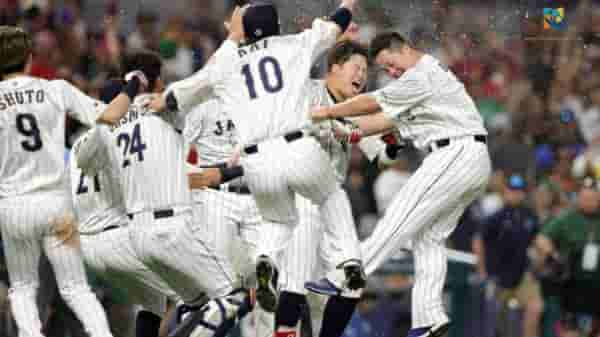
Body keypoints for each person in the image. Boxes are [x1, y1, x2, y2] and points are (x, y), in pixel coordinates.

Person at [149, 0, 365, 324]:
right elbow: (334, 24)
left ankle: (266, 259)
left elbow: (183, 91)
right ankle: (348, 261)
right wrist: (347, 4)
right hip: (296, 145)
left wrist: (160, 101)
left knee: (278, 221)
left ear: (244, 31)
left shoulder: (227, 60)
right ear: (277, 26)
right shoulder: (294, 43)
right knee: (332, 196)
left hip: (257, 160)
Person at [310, 32, 491, 337]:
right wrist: (336, 128)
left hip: (455, 152)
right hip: (469, 157)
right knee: (429, 238)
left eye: (391, 64)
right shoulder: (416, 84)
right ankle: (429, 317)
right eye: (386, 70)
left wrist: (328, 111)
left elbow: (371, 103)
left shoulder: (422, 74)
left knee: (400, 215)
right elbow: (381, 122)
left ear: (406, 49)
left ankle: (350, 272)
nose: (391, 73)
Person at [73, 50, 251, 337]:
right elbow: (200, 82)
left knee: (188, 303)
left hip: (124, 235)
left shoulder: (94, 137)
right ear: (155, 83)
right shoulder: (159, 110)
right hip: (159, 229)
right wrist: (232, 43)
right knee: (235, 298)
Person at [0, 25, 114, 337]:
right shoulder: (56, 89)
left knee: (22, 289)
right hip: (56, 205)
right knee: (77, 290)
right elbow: (107, 116)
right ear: (29, 58)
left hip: (14, 208)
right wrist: (131, 93)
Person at [473, 174, 543, 337]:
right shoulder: (496, 216)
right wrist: (482, 269)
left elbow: (537, 239)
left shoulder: (529, 215)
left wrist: (540, 261)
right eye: (512, 190)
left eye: (518, 191)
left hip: (521, 273)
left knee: (535, 307)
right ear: (505, 192)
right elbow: (478, 240)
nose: (515, 194)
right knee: (496, 321)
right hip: (498, 275)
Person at [534, 177, 600, 337]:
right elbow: (542, 239)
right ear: (578, 198)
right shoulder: (567, 218)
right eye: (584, 198)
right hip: (572, 287)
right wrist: (554, 255)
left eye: (592, 198)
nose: (588, 202)